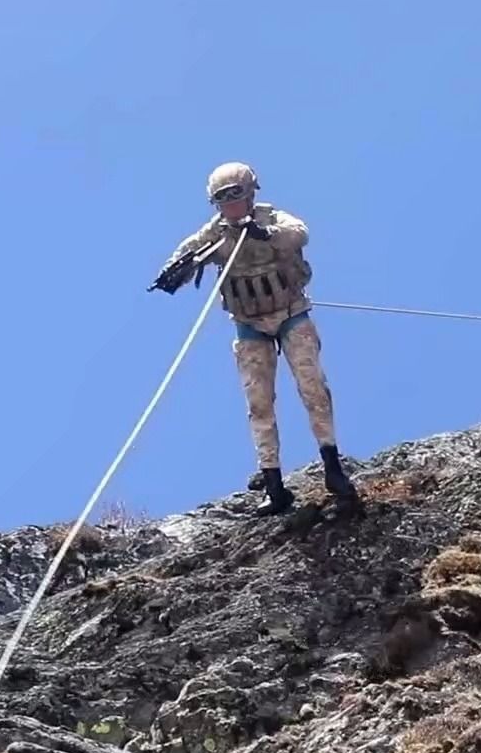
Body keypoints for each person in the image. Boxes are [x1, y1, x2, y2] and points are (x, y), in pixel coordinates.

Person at [151, 162, 359, 517]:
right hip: (249, 324)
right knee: (259, 402)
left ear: (250, 193)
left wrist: (265, 234)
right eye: (222, 199)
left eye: (236, 195)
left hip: (291, 313)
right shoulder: (214, 234)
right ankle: (274, 484)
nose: (230, 204)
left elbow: (299, 234)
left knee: (313, 389)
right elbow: (182, 257)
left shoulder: (272, 217)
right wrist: (172, 274)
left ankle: (333, 469)